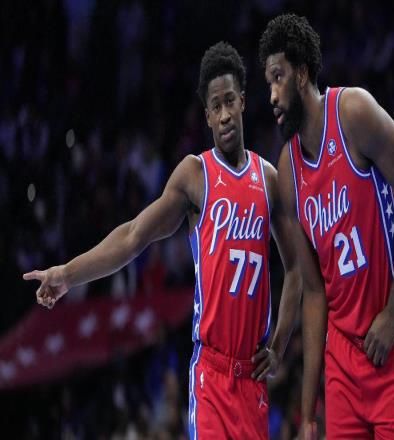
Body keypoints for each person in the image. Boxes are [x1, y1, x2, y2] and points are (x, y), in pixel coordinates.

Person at [23, 42, 299, 440]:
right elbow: (134, 235)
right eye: (215, 106)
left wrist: (280, 344)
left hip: (252, 379)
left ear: (242, 100)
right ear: (207, 116)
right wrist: (68, 274)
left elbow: (296, 268)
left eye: (229, 101)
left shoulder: (269, 179)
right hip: (211, 377)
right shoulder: (195, 175)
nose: (224, 114)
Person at [258, 14, 394, 439]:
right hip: (342, 362)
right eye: (268, 84)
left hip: (391, 342)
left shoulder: (353, 112)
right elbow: (314, 291)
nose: (272, 96)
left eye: (278, 78)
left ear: (302, 74)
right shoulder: (288, 169)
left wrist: (392, 310)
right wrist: (307, 414)